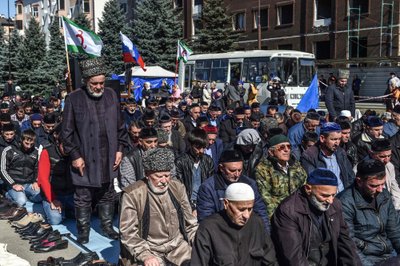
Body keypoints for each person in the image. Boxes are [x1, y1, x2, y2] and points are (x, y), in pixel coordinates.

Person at [61, 58, 128, 244]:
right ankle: (83, 231)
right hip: (85, 157)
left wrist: (120, 149)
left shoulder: (111, 95)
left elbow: (120, 126)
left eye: (102, 83)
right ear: (86, 81)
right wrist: (75, 156)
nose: (99, 87)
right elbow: (66, 133)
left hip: (108, 155)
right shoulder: (74, 98)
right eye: (95, 84)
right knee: (83, 195)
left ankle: (107, 227)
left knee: (107, 192)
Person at [119, 148, 197, 266]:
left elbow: (190, 224)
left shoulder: (177, 188)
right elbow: (128, 234)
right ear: (147, 174)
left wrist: (201, 243)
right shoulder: (132, 194)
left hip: (179, 247)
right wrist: (146, 255)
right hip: (150, 250)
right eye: (159, 176)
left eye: (167, 175)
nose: (164, 181)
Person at [271, 168, 361, 265]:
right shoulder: (288, 211)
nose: (330, 201)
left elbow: (346, 243)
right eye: (325, 195)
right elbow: (294, 257)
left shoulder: (335, 205)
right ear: (308, 189)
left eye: (333, 195)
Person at [192, 183, 278, 265]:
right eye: (241, 209)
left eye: (250, 209)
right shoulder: (208, 228)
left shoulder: (256, 223)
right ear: (226, 204)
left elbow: (270, 260)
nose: (246, 215)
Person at [338, 159, 400, 265]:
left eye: (382, 184)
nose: (380, 189)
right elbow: (349, 245)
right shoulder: (345, 202)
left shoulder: (384, 195)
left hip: (388, 254)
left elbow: (394, 231)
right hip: (367, 258)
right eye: (374, 186)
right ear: (359, 181)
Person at [196, 149, 271, 233]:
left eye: (240, 170)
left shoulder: (250, 184)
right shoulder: (208, 188)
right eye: (232, 171)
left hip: (248, 233)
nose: (237, 174)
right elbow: (206, 219)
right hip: (222, 233)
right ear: (221, 168)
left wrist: (266, 237)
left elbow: (261, 212)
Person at [256, 134, 307, 216]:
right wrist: (284, 214)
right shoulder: (263, 169)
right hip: (278, 215)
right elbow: (266, 199)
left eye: (289, 147)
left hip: (299, 211)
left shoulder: (296, 165)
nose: (286, 150)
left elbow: (304, 187)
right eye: (282, 147)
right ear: (271, 152)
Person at [301, 122, 355, 192]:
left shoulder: (340, 152)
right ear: (322, 138)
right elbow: (314, 183)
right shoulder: (309, 156)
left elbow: (350, 176)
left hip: (343, 196)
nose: (337, 143)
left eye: (339, 139)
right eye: (333, 139)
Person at [175, 128, 214, 213]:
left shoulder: (208, 161)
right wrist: (191, 207)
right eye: (198, 148)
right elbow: (179, 187)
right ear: (191, 145)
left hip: (204, 201)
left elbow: (211, 183)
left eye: (203, 148)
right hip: (187, 203)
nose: (201, 151)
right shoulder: (180, 162)